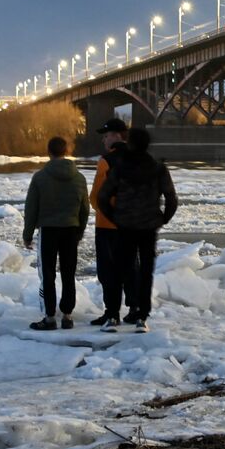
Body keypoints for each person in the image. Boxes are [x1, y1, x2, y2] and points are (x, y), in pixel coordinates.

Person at [96, 127, 179, 333]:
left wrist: (114, 218)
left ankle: (113, 315)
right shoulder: (158, 168)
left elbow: (102, 197)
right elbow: (171, 197)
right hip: (148, 227)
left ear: (131, 143)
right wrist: (163, 218)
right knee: (145, 271)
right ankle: (142, 316)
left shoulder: (121, 168)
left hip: (124, 226)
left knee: (118, 269)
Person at [22, 136, 90, 331]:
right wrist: (80, 230)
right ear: (66, 151)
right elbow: (84, 208)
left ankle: (49, 316)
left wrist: (27, 234)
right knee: (69, 273)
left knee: (47, 274)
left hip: (48, 230)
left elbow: (31, 208)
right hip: (71, 229)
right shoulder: (79, 178)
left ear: (49, 152)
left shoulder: (40, 177)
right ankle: (67, 316)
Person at [89, 117, 136, 328]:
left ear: (117, 135)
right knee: (131, 268)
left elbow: (96, 198)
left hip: (108, 226)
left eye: (106, 136)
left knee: (109, 270)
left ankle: (112, 313)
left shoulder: (106, 161)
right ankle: (135, 311)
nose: (103, 140)